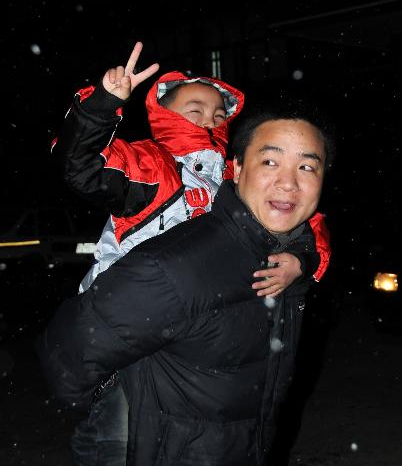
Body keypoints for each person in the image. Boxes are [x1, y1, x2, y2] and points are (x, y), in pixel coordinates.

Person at [38, 97, 336, 466]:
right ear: (240, 168)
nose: (288, 181)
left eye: (308, 167)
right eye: (271, 161)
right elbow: (69, 353)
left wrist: (303, 265)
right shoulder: (164, 198)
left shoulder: (275, 248)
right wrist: (102, 106)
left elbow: (309, 231)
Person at [51, 42, 331, 297]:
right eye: (196, 111)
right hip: (126, 312)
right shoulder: (152, 164)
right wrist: (103, 103)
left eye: (219, 115)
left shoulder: (234, 177)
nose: (209, 121)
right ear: (166, 115)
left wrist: (302, 262)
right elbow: (80, 163)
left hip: (202, 323)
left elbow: (301, 219)